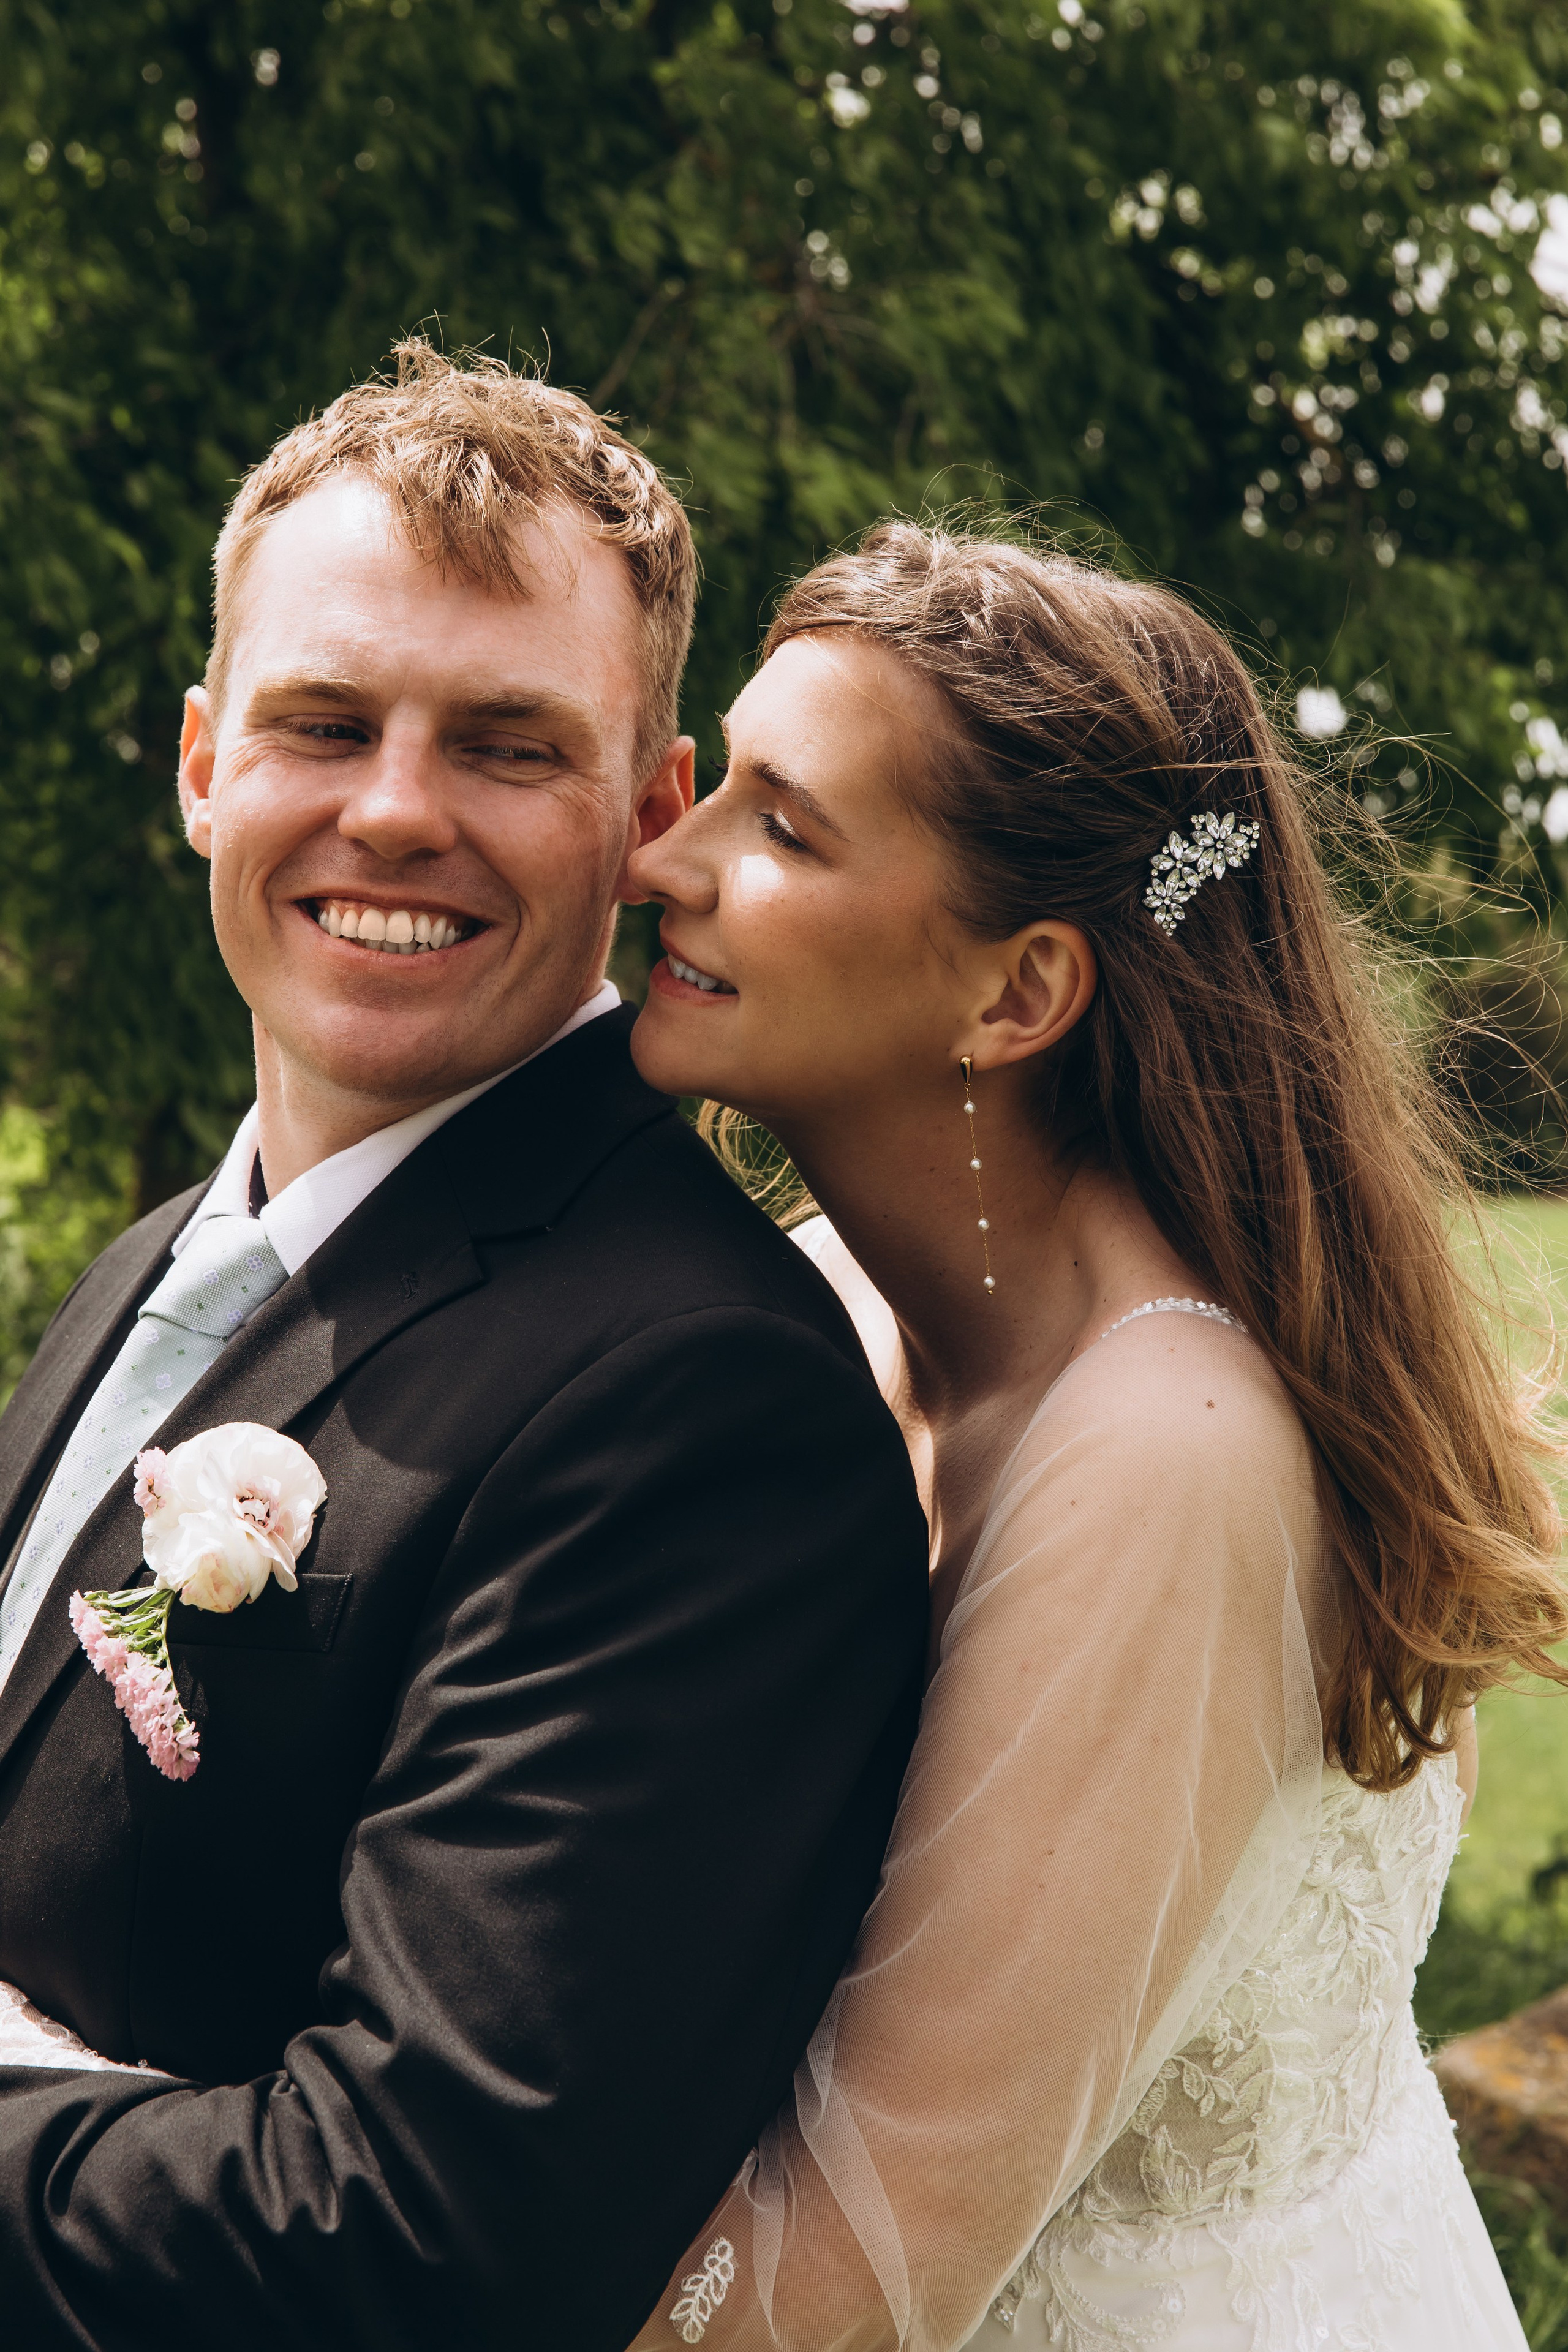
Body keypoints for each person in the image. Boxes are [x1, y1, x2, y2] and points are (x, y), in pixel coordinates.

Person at [0, 350, 930, 2350]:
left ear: (650, 813)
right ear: (198, 767)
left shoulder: (703, 1403)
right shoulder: (165, 1258)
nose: (396, 809)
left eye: (509, 748)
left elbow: (421, 2246)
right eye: (322, 722)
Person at [623, 520, 1567, 2352]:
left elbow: (851, 2288)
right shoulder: (836, 1296)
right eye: (716, 783)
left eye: (783, 826)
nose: (664, 855)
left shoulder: (1164, 1446)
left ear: (1020, 993)